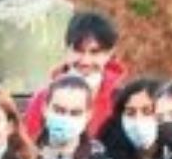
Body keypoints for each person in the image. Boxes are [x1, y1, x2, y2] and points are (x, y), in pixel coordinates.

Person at [21, 10, 129, 141]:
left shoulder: (121, 101)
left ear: (110, 53)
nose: (85, 61)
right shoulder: (43, 97)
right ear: (66, 49)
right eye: (78, 51)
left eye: (94, 52)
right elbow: (28, 147)